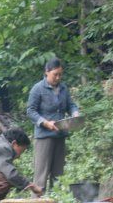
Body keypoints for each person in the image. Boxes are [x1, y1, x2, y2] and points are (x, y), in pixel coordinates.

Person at [26, 57, 79, 191]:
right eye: (55, 74)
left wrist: (75, 113)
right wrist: (44, 122)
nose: (58, 77)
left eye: (60, 74)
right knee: (41, 177)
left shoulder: (63, 88)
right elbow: (30, 111)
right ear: (46, 72)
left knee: (58, 177)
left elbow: (70, 105)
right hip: (44, 137)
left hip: (60, 135)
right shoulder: (38, 88)